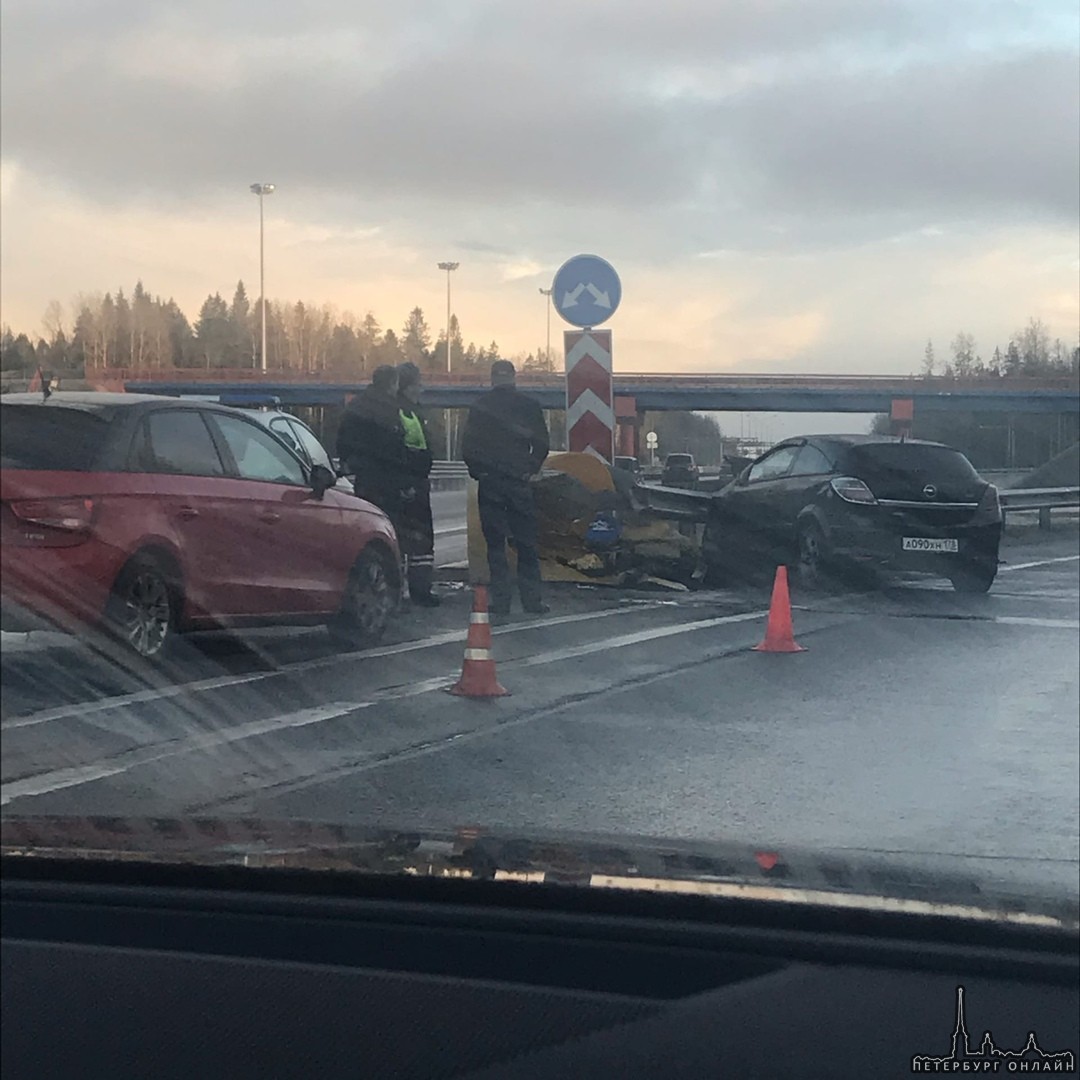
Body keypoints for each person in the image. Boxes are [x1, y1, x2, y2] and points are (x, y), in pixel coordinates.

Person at [462, 360, 550, 616]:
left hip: (491, 484)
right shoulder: (529, 405)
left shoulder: (480, 407)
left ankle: (500, 602)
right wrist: (529, 468)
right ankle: (532, 601)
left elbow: (468, 446)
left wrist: (479, 471)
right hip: (518, 483)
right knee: (526, 543)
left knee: (495, 545)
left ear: (492, 378)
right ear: (514, 377)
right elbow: (542, 443)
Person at [336, 365, 407, 531]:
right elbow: (396, 444)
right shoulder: (390, 408)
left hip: (363, 475)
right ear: (391, 384)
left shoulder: (356, 405)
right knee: (388, 525)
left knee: (366, 522)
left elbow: (342, 436)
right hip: (387, 477)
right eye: (396, 384)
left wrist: (346, 460)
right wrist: (404, 480)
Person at [395, 362, 440, 607]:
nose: (421, 388)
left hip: (416, 482)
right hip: (409, 484)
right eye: (418, 383)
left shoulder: (412, 411)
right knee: (411, 539)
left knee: (418, 541)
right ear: (409, 386)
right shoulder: (403, 412)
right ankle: (412, 591)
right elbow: (405, 450)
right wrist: (408, 482)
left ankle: (416, 589)